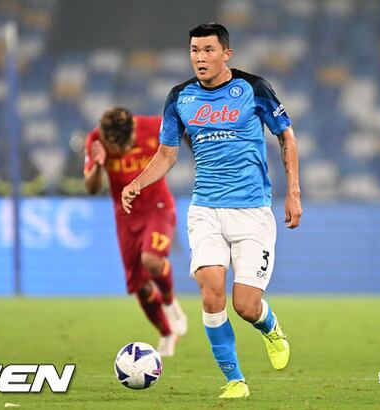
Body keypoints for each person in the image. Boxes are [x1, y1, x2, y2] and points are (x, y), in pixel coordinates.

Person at [121, 22, 302, 398]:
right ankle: (235, 380)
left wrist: (293, 192)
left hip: (252, 211)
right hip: (205, 210)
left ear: (226, 54)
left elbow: (285, 134)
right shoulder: (179, 97)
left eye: (208, 50)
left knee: (245, 305)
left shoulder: (253, 88)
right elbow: (167, 154)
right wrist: (137, 182)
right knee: (211, 293)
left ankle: (270, 327)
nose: (200, 58)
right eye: (194, 50)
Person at [84, 107, 187, 357]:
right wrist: (99, 166)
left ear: (133, 130)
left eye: (127, 145)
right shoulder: (95, 140)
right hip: (126, 215)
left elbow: (185, 124)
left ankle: (169, 302)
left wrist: (197, 150)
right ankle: (166, 333)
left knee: (151, 261)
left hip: (158, 206)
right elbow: (91, 188)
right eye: (116, 148)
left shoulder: (153, 126)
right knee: (140, 286)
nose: (122, 150)